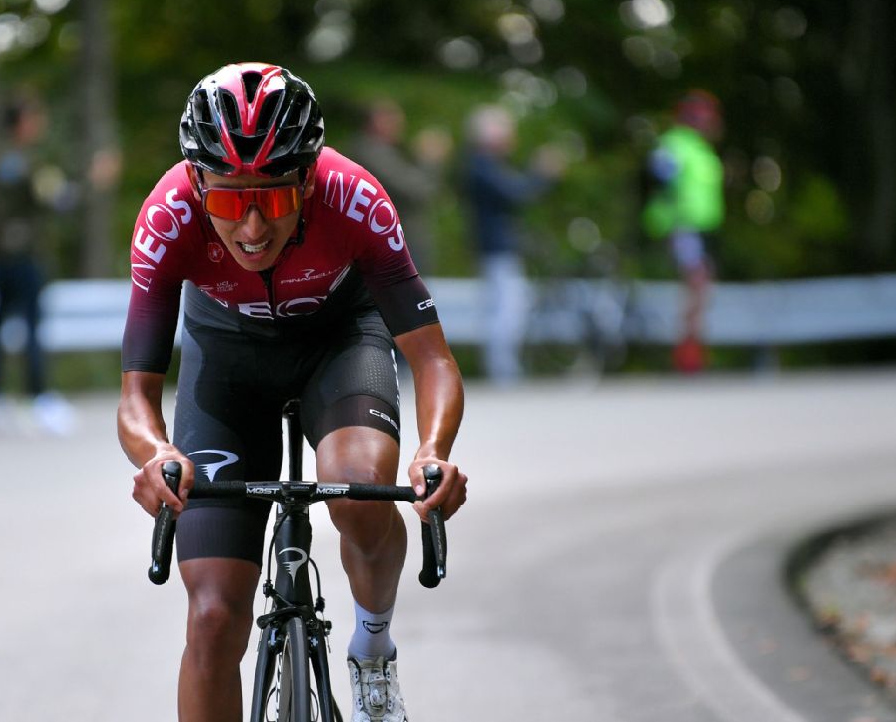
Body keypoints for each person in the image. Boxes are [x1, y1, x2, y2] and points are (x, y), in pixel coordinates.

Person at [118, 62, 468, 722]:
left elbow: (433, 359)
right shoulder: (168, 214)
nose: (252, 228)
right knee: (213, 615)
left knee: (359, 487)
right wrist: (155, 453)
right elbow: (136, 394)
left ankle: (373, 650)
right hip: (227, 360)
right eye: (229, 202)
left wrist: (433, 451)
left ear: (307, 180)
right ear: (197, 182)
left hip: (339, 341)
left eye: (273, 201)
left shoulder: (354, 196)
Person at [0, 94, 75, 436]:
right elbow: (55, 200)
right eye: (34, 118)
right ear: (21, 123)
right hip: (26, 256)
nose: (39, 125)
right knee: (31, 326)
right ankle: (38, 398)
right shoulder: (31, 162)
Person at [461, 104, 564, 384]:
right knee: (507, 308)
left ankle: (503, 368)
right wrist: (541, 174)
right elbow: (517, 193)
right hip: (496, 248)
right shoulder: (482, 167)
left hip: (495, 247)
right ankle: (503, 370)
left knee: (505, 306)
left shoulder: (483, 165)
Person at [641, 90, 725, 373]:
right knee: (697, 280)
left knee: (699, 284)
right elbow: (658, 177)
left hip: (699, 227)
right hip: (680, 225)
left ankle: (690, 347)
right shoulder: (675, 143)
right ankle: (688, 353)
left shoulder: (700, 148)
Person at [346, 99, 450, 276]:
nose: (399, 124)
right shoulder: (371, 152)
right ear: (375, 121)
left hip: (394, 244)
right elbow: (415, 191)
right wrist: (429, 160)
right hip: (392, 245)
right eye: (391, 119)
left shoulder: (382, 151)